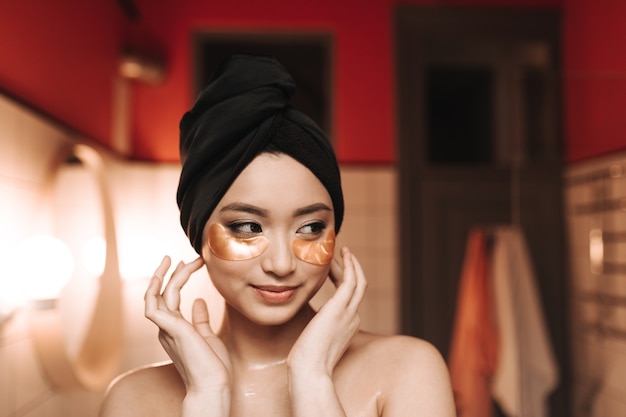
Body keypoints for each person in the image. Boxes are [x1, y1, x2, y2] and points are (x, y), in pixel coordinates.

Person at [99, 54, 455, 417]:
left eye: (311, 228)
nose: (282, 264)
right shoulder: (133, 401)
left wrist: (313, 379)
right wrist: (207, 399)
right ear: (198, 235)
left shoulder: (407, 372)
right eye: (248, 227)